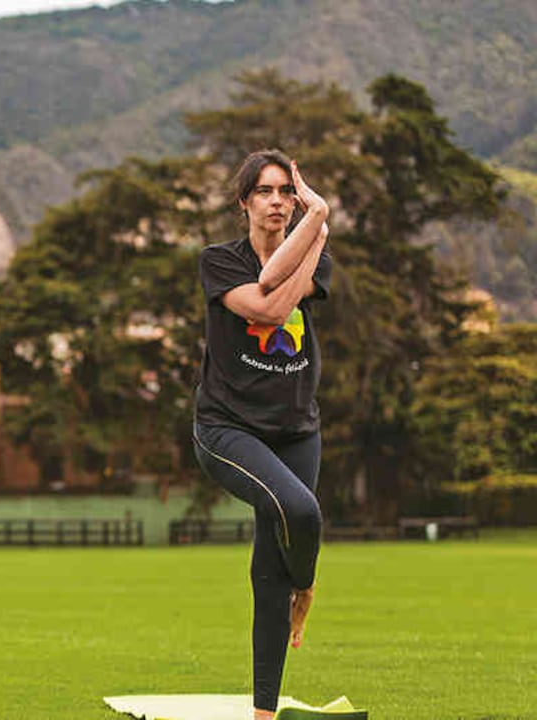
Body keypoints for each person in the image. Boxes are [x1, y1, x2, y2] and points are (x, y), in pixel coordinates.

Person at [192, 149, 332, 719]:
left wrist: (313, 227)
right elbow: (270, 303)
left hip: (297, 428)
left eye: (286, 193)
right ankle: (309, 584)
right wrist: (317, 218)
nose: (278, 202)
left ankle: (263, 714)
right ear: (244, 202)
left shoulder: (317, 256)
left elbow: (291, 277)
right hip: (228, 427)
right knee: (301, 514)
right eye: (265, 192)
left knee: (269, 568)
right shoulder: (218, 262)